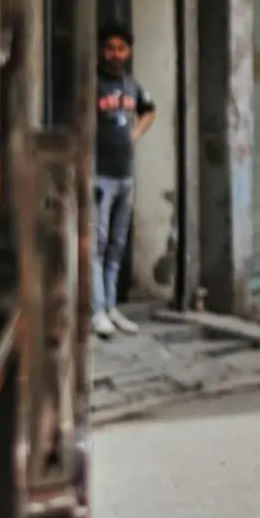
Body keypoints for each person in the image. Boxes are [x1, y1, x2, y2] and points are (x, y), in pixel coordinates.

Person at [93, 23, 156, 339]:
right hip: (100, 178)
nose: (115, 54)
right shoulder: (92, 85)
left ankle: (111, 305)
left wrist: (135, 133)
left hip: (125, 177)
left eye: (121, 48)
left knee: (117, 245)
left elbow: (149, 110)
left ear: (128, 51)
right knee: (98, 244)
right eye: (110, 47)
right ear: (101, 50)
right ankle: (97, 311)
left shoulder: (132, 86)